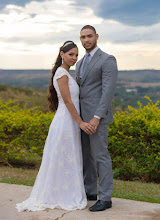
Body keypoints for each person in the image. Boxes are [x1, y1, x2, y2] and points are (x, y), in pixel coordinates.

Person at [16, 41, 95, 212]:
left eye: (76, 55)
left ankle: (66, 192)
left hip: (70, 123)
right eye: (70, 54)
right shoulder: (61, 73)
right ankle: (60, 196)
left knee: (68, 158)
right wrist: (80, 122)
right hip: (65, 123)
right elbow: (67, 101)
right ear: (62, 54)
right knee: (62, 157)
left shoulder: (66, 73)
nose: (74, 58)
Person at [75, 25, 118, 212]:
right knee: (86, 156)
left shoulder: (107, 59)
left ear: (97, 36)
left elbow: (107, 92)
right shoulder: (80, 62)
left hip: (96, 118)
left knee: (100, 156)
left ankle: (105, 197)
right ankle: (90, 191)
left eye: (89, 36)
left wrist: (96, 117)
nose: (86, 40)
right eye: (83, 37)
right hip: (81, 119)